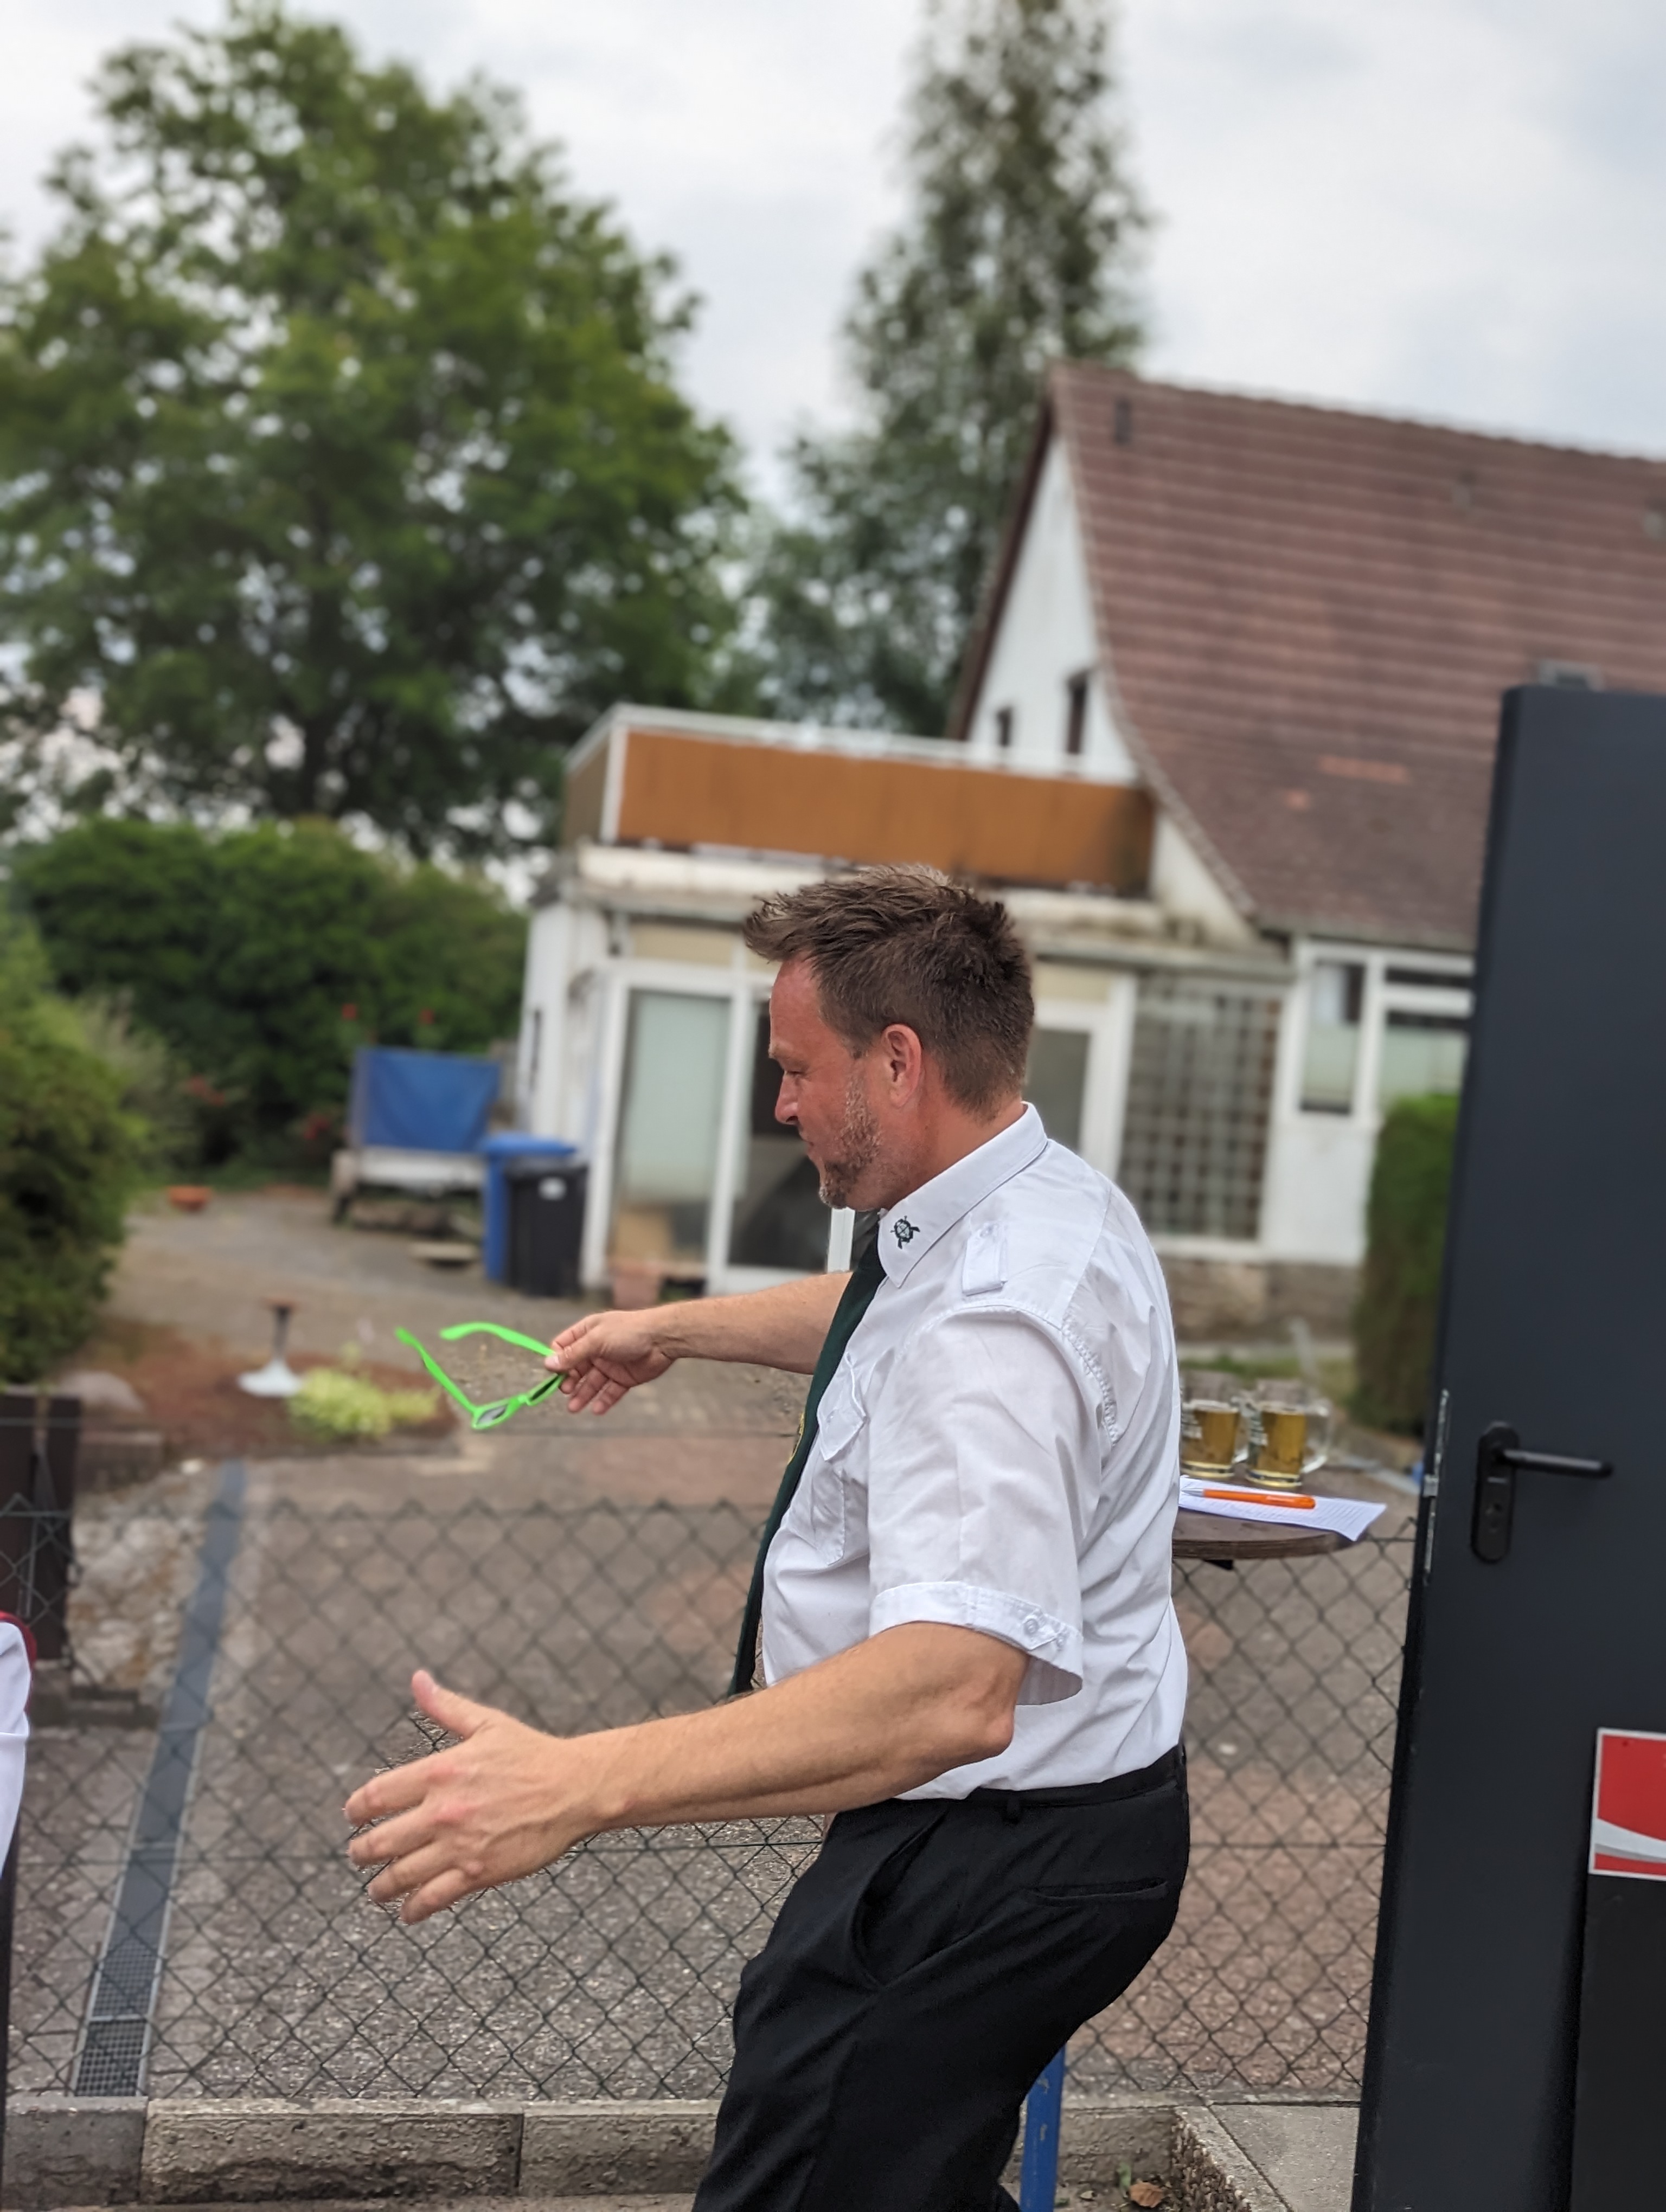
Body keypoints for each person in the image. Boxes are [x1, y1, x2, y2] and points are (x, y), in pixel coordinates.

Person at [345, 865, 1189, 2212]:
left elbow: (953, 1691)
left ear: (897, 1062)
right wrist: (671, 1329)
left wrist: (577, 1782)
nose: (780, 1103)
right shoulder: (1033, 1200)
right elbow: (879, 1308)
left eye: (797, 1069)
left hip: (994, 1852)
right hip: (1053, 1826)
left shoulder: (994, 1332)